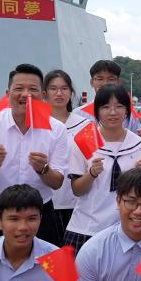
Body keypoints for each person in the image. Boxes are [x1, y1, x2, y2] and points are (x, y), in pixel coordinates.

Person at [0, 63, 68, 245]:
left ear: (43, 95)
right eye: (19, 88)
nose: (26, 94)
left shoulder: (57, 129)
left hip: (41, 218)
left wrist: (43, 169)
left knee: (45, 263)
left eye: (33, 89)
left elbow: (57, 182)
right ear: (8, 94)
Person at [63, 84, 141, 250]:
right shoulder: (85, 140)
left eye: (119, 106)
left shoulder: (139, 145)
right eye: (105, 107)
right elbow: (77, 190)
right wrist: (91, 174)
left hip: (125, 230)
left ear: (127, 110)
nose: (112, 112)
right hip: (87, 227)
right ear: (96, 111)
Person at [45, 69, 88, 230]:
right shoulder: (35, 125)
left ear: (71, 92)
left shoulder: (85, 125)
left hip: (76, 201)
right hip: (44, 200)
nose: (59, 93)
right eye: (53, 88)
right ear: (45, 93)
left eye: (64, 88)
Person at [83, 59, 141, 135]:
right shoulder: (79, 113)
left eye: (111, 79)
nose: (105, 83)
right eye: (100, 79)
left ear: (118, 82)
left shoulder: (129, 115)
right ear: (92, 82)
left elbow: (136, 138)